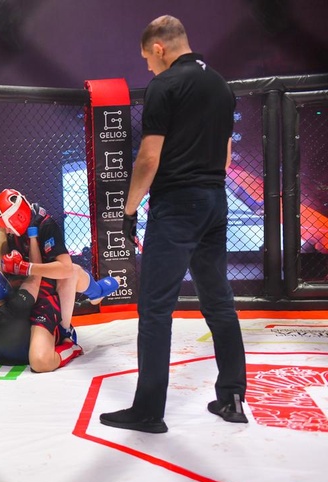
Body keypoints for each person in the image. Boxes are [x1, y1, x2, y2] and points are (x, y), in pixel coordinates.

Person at [99, 15, 248, 433]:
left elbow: (148, 159)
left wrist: (129, 211)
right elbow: (225, 157)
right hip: (214, 201)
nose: (148, 67)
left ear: (159, 48)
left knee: (155, 307)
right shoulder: (221, 85)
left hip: (178, 204)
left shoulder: (165, 86)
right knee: (219, 301)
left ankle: (148, 411)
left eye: (147, 58)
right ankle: (233, 397)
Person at [0, 188, 120, 348]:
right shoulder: (7, 230)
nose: (6, 231)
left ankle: (67, 328)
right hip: (26, 281)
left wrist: (26, 268)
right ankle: (97, 292)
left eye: (5, 227)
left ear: (18, 218)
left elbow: (65, 268)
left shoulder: (45, 225)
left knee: (72, 272)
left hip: (47, 277)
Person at [0, 226, 83, 372]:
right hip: (22, 326)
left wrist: (1, 229)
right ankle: (71, 347)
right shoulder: (17, 305)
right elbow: (34, 278)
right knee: (41, 362)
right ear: (0, 287)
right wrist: (32, 239)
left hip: (0, 329)